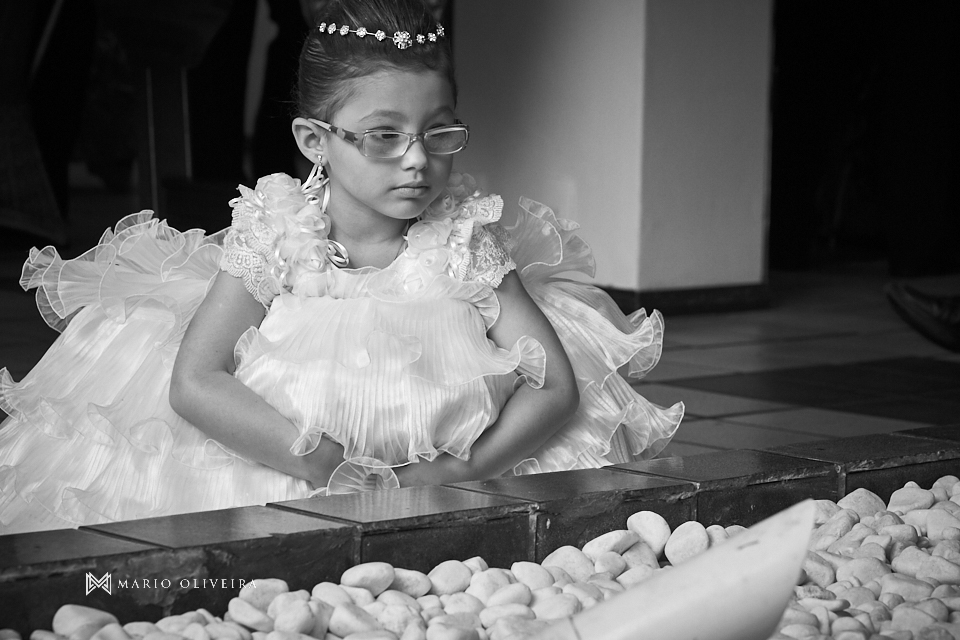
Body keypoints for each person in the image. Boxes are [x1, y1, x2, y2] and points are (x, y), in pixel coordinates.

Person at [0, 0, 683, 534]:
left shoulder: (461, 239)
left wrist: (457, 468)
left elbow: (555, 386)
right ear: (313, 139)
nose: (417, 160)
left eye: (438, 132)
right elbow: (196, 381)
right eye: (385, 137)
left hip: (440, 469)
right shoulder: (275, 231)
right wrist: (331, 468)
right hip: (297, 462)